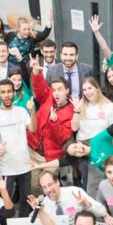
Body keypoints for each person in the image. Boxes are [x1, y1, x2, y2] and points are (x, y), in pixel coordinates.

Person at [27, 58, 74, 194]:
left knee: (49, 189)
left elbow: (61, 138)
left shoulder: (72, 111)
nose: (56, 93)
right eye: (54, 90)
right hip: (34, 150)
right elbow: (40, 88)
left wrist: (54, 122)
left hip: (51, 156)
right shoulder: (49, 97)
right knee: (35, 187)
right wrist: (36, 73)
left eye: (60, 90)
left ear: (67, 90)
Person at [0, 79, 32, 217]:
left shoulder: (21, 110)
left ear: (14, 93)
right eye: (3, 92)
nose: (6, 95)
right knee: (5, 200)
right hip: (5, 166)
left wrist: (33, 110)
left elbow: (33, 128)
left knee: (26, 199)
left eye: (9, 91)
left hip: (24, 164)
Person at [36, 171, 107, 221]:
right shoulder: (43, 205)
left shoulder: (75, 192)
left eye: (50, 185)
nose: (48, 190)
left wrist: (86, 204)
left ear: (57, 182)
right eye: (44, 187)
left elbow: (101, 211)